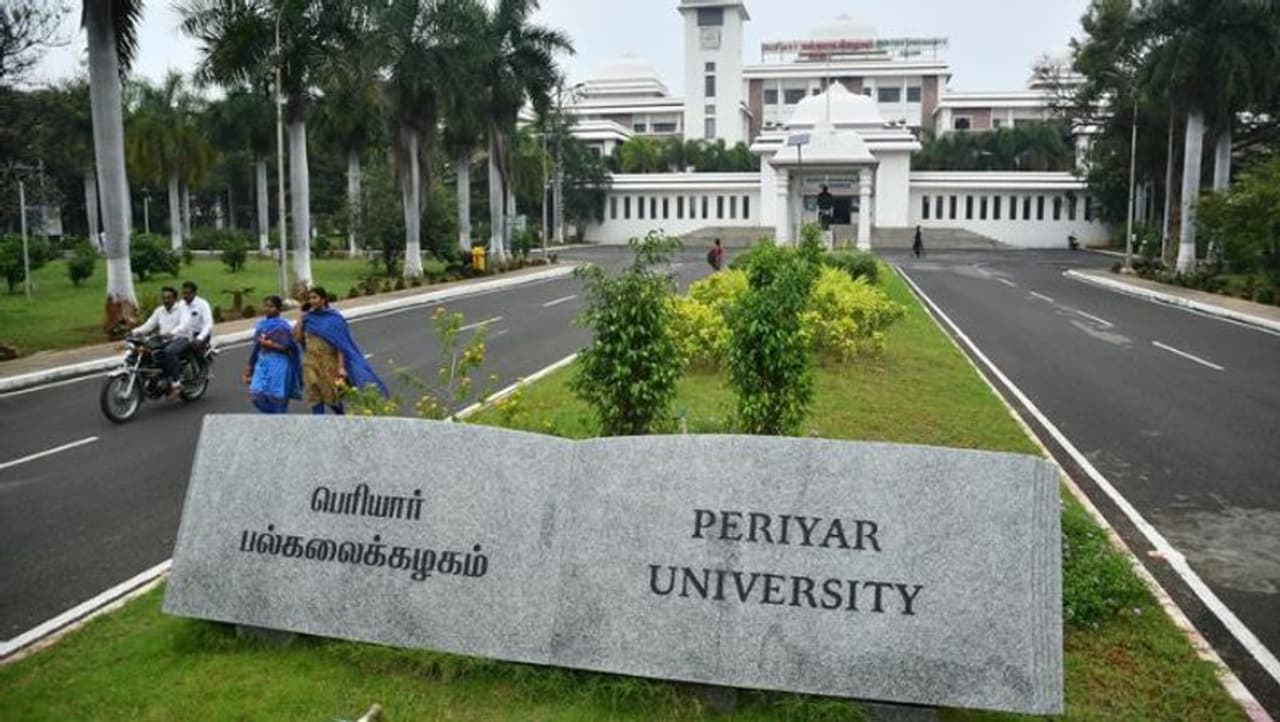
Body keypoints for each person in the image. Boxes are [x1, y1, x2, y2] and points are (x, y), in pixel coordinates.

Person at [294, 286, 387, 415]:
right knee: (314, 395)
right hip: (311, 362)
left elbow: (341, 345)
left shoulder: (334, 318)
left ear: (323, 299)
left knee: (331, 396)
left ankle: (341, 417)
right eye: (310, 298)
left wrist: (341, 367)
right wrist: (301, 318)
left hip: (329, 362)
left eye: (314, 298)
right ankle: (318, 423)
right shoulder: (308, 318)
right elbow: (297, 338)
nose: (311, 301)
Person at [242, 296, 302, 414]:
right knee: (256, 395)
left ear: (279, 309)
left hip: (278, 362)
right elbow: (256, 347)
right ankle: (276, 416)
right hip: (262, 361)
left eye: (271, 306)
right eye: (266, 306)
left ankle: (278, 419)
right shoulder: (261, 325)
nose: (267, 309)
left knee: (276, 397)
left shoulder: (283, 327)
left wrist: (270, 344)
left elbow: (287, 347)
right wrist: (249, 367)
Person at [131, 286, 189, 391]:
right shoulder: (159, 310)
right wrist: (134, 332)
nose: (166, 300)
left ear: (175, 298)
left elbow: (184, 325)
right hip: (163, 339)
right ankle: (151, 376)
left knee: (169, 352)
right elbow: (149, 325)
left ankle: (176, 383)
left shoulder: (182, 309)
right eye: (164, 298)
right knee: (144, 349)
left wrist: (172, 333)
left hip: (180, 338)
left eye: (168, 298)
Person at [167, 281, 215, 397]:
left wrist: (200, 338)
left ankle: (203, 367)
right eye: (183, 293)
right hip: (185, 334)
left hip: (200, 333)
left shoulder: (202, 304)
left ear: (194, 293)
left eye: (188, 293)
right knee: (169, 350)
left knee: (193, 346)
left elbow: (208, 323)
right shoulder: (181, 305)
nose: (185, 296)